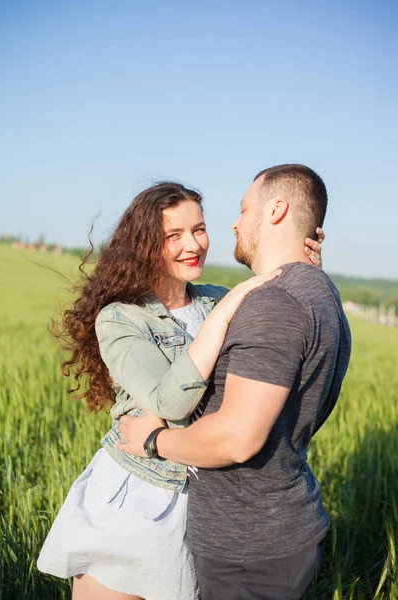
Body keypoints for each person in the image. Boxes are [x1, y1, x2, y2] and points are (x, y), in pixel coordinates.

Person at [37, 181, 323, 600]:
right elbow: (169, 401)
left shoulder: (215, 300)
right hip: (135, 495)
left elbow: (286, 319)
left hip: (202, 506)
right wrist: (225, 314)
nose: (193, 244)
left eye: (199, 229)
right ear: (144, 245)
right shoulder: (121, 319)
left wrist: (308, 268)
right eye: (173, 235)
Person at [118, 165, 352, 600]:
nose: (235, 222)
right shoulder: (320, 290)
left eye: (245, 209)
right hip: (274, 528)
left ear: (276, 210)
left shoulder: (275, 304)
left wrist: (154, 440)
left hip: (249, 542)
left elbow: (237, 439)